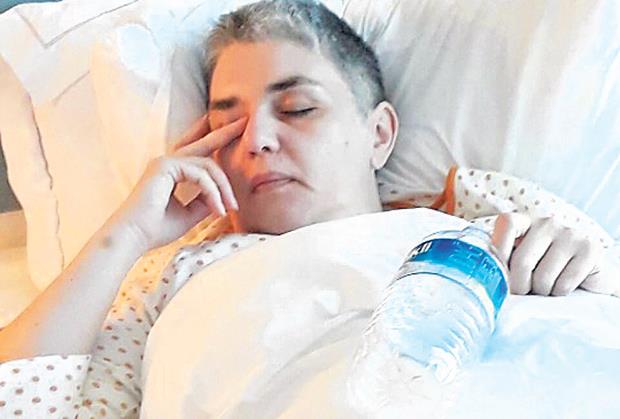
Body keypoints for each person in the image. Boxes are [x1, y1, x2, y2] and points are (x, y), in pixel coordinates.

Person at [0, 0, 617, 416]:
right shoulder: (171, 274)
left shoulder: (482, 212)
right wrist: (126, 235)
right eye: (226, 123)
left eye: (297, 109)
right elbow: (20, 400)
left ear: (379, 134)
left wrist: (587, 273)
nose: (257, 140)